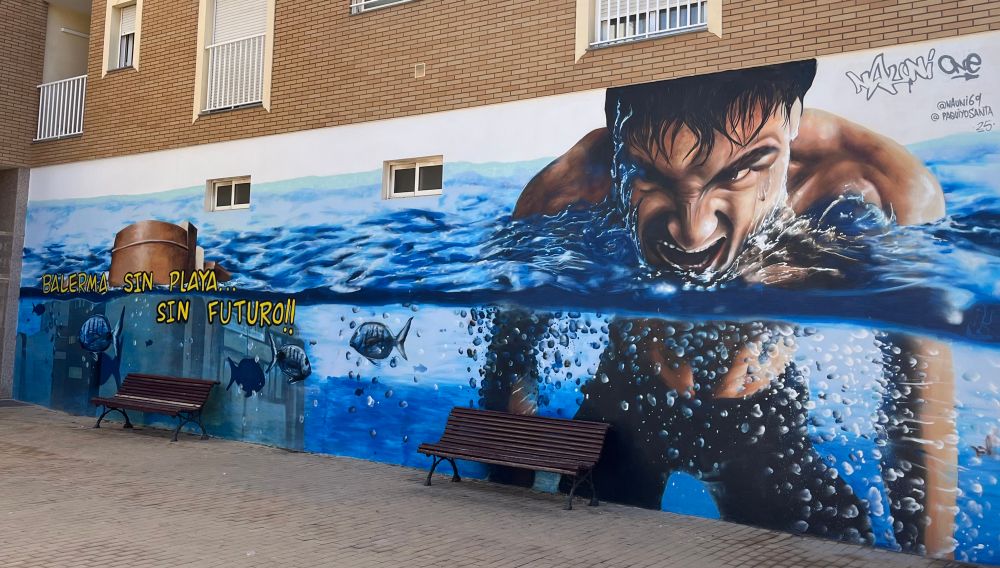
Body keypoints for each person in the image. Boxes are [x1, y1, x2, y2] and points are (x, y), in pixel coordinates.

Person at [484, 60, 957, 557]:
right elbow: (510, 372)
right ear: (619, 143)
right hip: (627, 400)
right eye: (650, 175)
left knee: (837, 549)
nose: (694, 233)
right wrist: (506, 502)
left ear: (793, 122)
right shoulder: (567, 190)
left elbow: (917, 417)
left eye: (740, 170)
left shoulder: (879, 185)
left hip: (765, 421)